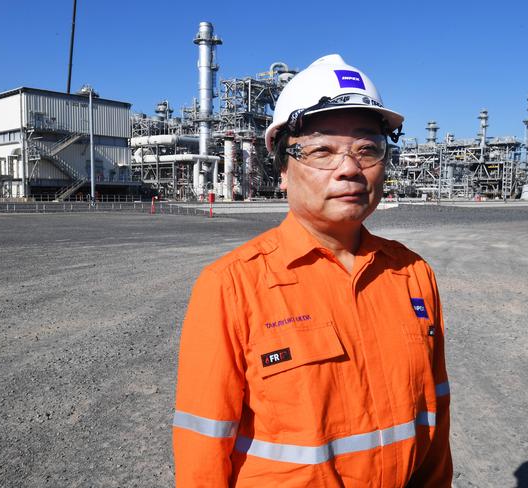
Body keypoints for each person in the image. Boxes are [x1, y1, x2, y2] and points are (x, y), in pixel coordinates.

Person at [173, 54, 452, 487]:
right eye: (322, 150)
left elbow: (436, 416)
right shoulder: (232, 286)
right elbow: (203, 447)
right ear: (282, 169)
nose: (350, 169)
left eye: (368, 149)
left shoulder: (413, 274)